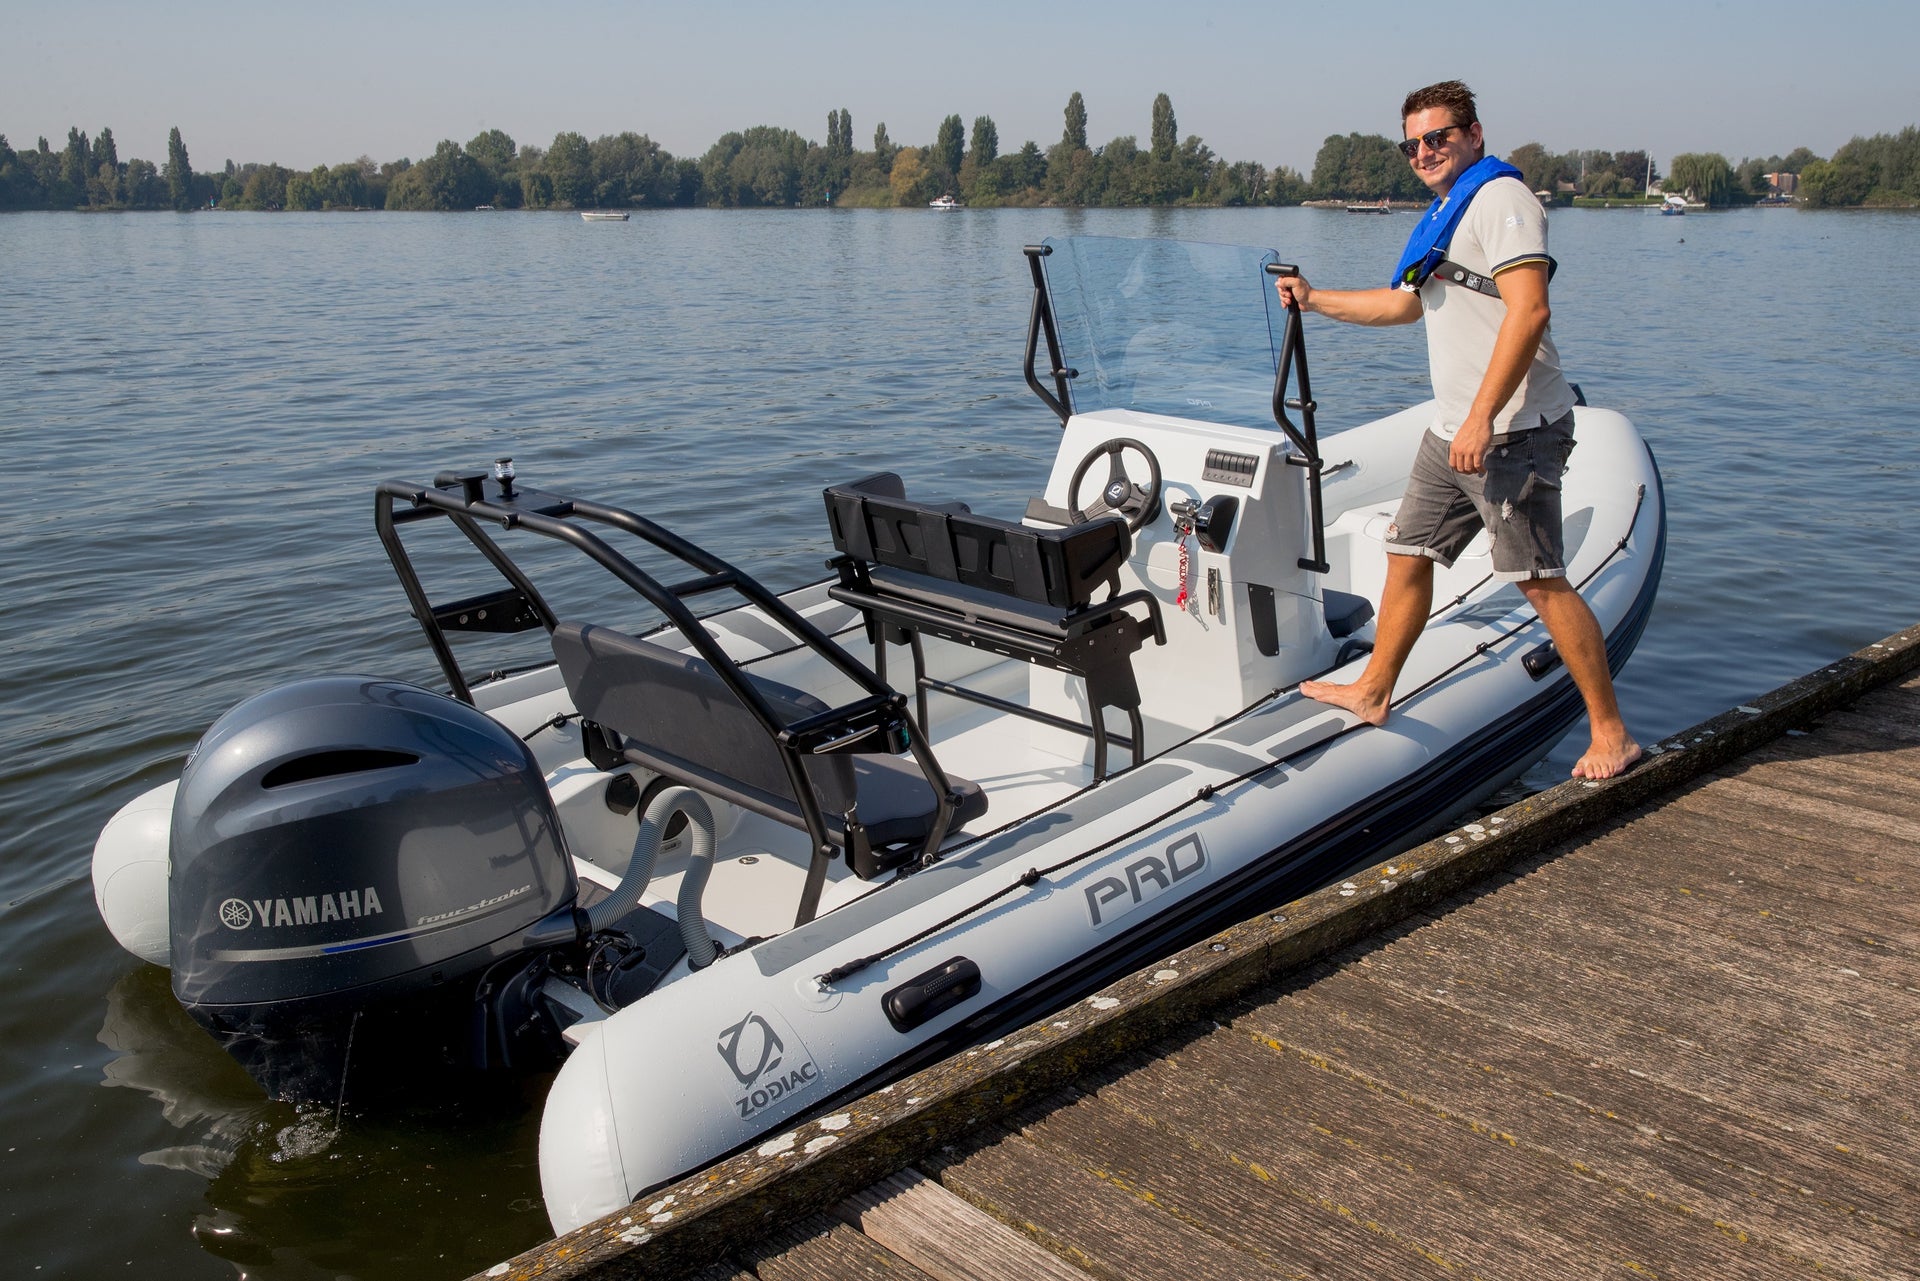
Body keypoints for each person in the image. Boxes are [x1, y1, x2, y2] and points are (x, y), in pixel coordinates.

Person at [1275, 80, 1641, 780]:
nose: (1424, 152)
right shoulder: (1448, 212)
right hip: (1453, 431)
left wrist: (1481, 416)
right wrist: (1316, 300)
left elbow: (1529, 314)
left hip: (1512, 431)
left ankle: (1611, 731)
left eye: (1438, 137)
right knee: (1408, 553)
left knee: (1539, 580)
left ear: (1474, 134)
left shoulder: (1502, 202)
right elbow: (1403, 306)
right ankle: (1375, 687)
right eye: (1411, 143)